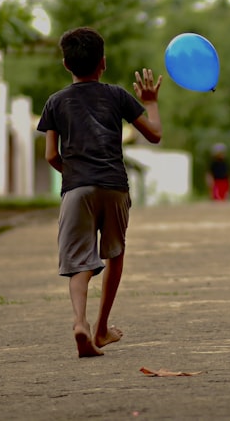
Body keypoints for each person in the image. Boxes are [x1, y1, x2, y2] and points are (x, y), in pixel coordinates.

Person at [36, 26, 163, 358]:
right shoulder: (117, 95)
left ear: (66, 64)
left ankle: (81, 323)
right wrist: (150, 103)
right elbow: (154, 135)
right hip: (114, 187)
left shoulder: (55, 102)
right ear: (103, 63)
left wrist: (75, 174)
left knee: (80, 263)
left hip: (77, 189)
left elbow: (51, 155)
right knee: (114, 253)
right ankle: (103, 327)